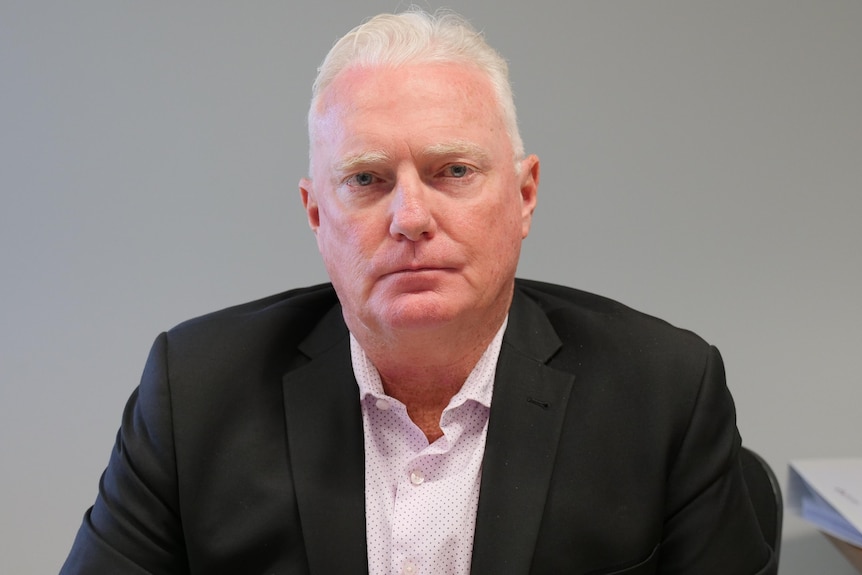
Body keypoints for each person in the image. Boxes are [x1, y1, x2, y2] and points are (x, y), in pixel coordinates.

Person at [61, 8, 776, 575]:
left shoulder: (664, 393)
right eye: (367, 180)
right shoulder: (193, 395)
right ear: (316, 214)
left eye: (453, 171)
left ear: (524, 195)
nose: (410, 218)